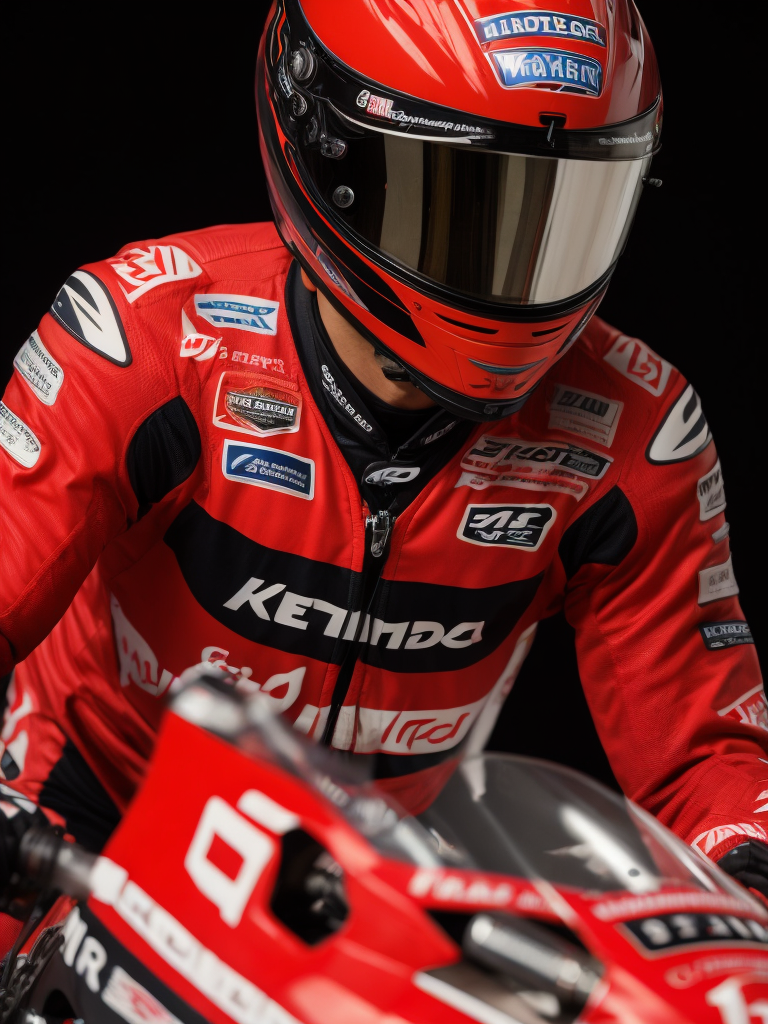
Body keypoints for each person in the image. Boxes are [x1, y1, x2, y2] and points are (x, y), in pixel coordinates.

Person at [1, 0, 766, 906]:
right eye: (458, 203)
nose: (514, 270)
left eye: (562, 216)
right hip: (73, 825)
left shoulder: (640, 433)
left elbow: (705, 759)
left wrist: (746, 879)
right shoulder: (147, 342)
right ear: (327, 153)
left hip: (353, 901)